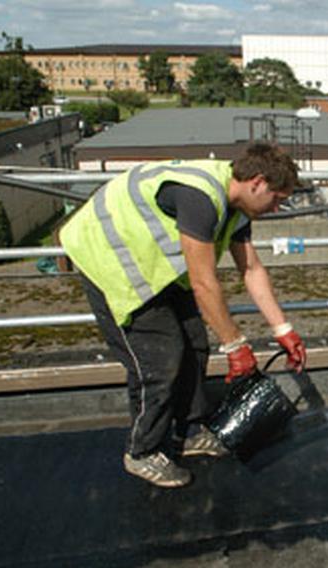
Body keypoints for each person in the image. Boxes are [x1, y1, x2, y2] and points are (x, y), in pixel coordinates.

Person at [60, 144, 307, 488]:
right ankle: (143, 452)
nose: (278, 207)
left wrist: (284, 329)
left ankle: (188, 431)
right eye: (277, 198)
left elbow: (250, 268)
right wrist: (235, 346)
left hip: (155, 265)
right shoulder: (200, 197)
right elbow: (204, 282)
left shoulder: (236, 204)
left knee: (194, 345)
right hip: (111, 258)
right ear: (257, 182)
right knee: (158, 363)